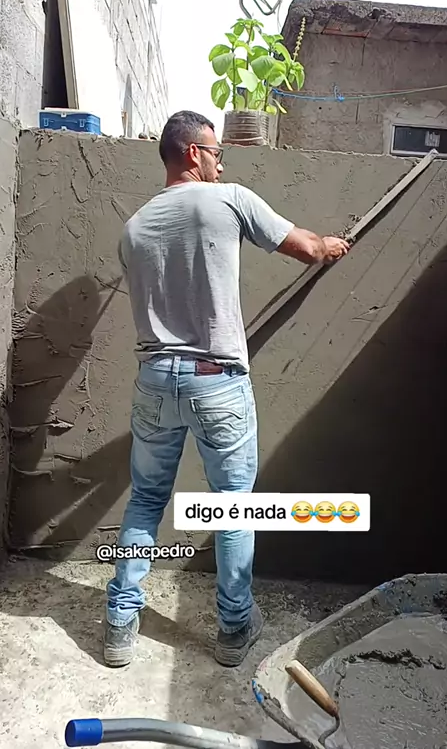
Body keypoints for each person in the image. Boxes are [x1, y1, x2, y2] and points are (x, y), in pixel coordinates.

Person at [104, 110, 349, 668]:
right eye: (216, 152)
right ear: (193, 152)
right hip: (215, 381)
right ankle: (234, 630)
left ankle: (119, 623)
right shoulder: (230, 200)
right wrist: (332, 246)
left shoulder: (134, 227)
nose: (220, 163)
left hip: (154, 379)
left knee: (145, 499)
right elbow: (307, 248)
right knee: (232, 508)